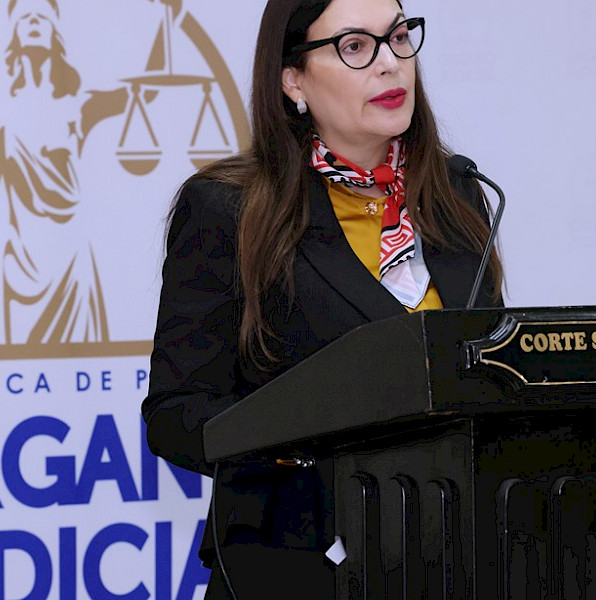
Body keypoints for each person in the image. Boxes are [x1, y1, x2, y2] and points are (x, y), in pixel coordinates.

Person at [142, 0, 503, 597]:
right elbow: (175, 415)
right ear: (293, 80)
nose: (389, 63)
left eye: (398, 37)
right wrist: (309, 440)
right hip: (295, 566)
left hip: (448, 561)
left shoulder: (459, 192)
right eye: (354, 47)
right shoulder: (230, 210)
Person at [0, 0, 109, 346]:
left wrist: (171, 19)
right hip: (21, 263)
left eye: (42, 17)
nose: (34, 20)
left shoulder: (77, 106)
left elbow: (145, 89)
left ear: (55, 35)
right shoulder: (2, 115)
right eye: (25, 18)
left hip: (72, 264)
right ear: (14, 36)